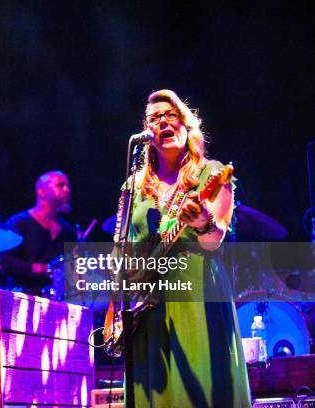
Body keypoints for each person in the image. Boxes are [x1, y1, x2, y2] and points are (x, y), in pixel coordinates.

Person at [115, 89, 251, 406]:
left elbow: (214, 240)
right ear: (147, 133)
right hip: (146, 308)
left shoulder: (212, 173)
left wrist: (202, 220)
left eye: (170, 115)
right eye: (154, 118)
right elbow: (119, 251)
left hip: (198, 295)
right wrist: (117, 305)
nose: (163, 121)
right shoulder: (131, 187)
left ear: (185, 124)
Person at [0, 170, 76, 296]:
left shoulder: (68, 231)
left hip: (58, 299)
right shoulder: (19, 222)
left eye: (67, 186)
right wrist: (43, 269)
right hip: (22, 297)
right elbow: (5, 261)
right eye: (60, 185)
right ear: (41, 191)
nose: (67, 190)